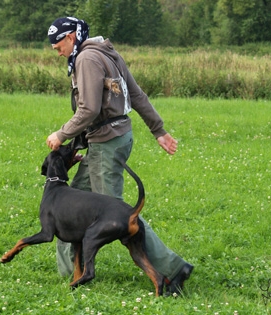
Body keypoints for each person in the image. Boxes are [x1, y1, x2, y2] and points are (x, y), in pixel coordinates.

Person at [46, 16, 193, 296]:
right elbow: (136, 95)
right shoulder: (106, 52)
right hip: (112, 139)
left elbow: (88, 110)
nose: (57, 51)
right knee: (69, 201)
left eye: (58, 46)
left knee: (119, 216)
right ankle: (69, 271)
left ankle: (173, 270)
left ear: (71, 37)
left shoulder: (87, 59)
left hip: (106, 143)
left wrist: (62, 134)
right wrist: (158, 130)